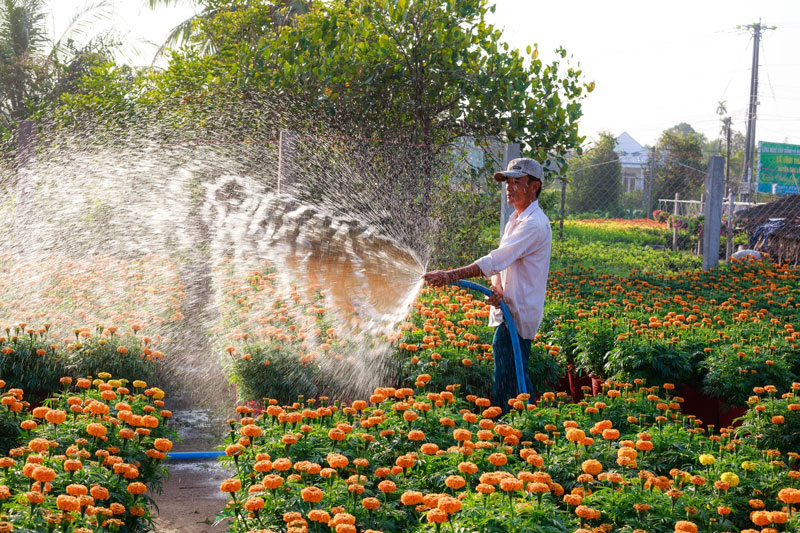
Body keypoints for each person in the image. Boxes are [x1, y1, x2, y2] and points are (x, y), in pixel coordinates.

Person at [423, 157, 552, 411]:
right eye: (507, 182)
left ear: (534, 186)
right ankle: (521, 427)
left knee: (510, 379)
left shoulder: (534, 224)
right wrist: (497, 289)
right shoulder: (517, 220)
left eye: (517, 181)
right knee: (514, 374)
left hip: (518, 313)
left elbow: (496, 259)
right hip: (509, 309)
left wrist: (450, 275)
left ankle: (510, 430)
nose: (509, 187)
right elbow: (502, 264)